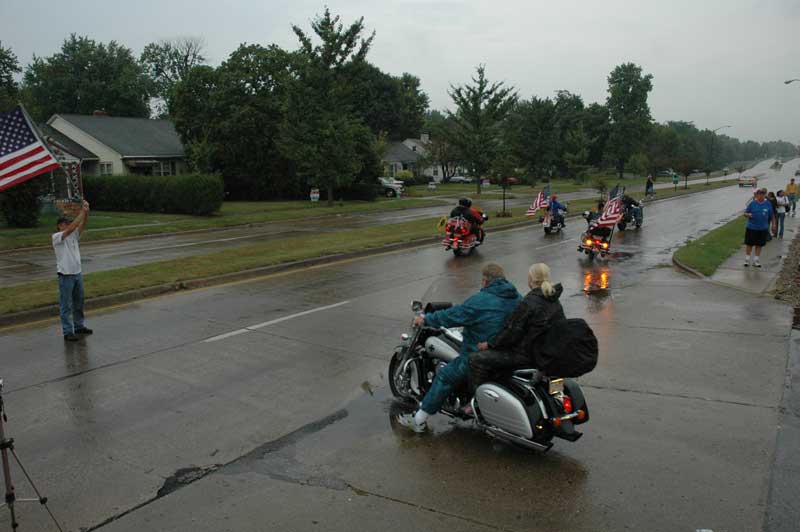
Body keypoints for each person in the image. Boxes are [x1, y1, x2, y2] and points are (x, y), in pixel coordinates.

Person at [397, 263, 522, 433]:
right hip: (507, 354)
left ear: (485, 281)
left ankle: (418, 420)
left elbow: (453, 315)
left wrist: (426, 319)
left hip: (479, 354)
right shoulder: (517, 297)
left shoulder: (481, 300)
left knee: (445, 375)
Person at [470, 263, 565, 390]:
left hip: (526, 356)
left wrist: (489, 344)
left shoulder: (530, 301)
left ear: (531, 280)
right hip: (547, 356)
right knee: (557, 392)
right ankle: (558, 397)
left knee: (476, 358)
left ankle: (476, 401)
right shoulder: (554, 300)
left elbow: (511, 332)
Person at [52, 200, 93, 341]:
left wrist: (86, 212)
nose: (68, 225)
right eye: (65, 224)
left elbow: (82, 225)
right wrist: (81, 212)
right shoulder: (57, 237)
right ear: (59, 226)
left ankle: (79, 326)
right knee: (66, 305)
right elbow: (72, 228)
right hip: (65, 275)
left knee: (79, 302)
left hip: (77, 273)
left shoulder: (73, 236)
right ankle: (68, 331)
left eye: (68, 223)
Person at [743, 189, 774, 268]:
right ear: (757, 195)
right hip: (751, 227)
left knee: (759, 245)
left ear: (764, 195)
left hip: (762, 228)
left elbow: (772, 215)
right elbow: (745, 213)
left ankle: (756, 260)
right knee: (749, 244)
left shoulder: (768, 204)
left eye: (763, 194)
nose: (761, 196)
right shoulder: (752, 203)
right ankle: (747, 260)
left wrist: (774, 225)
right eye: (760, 194)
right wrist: (748, 215)